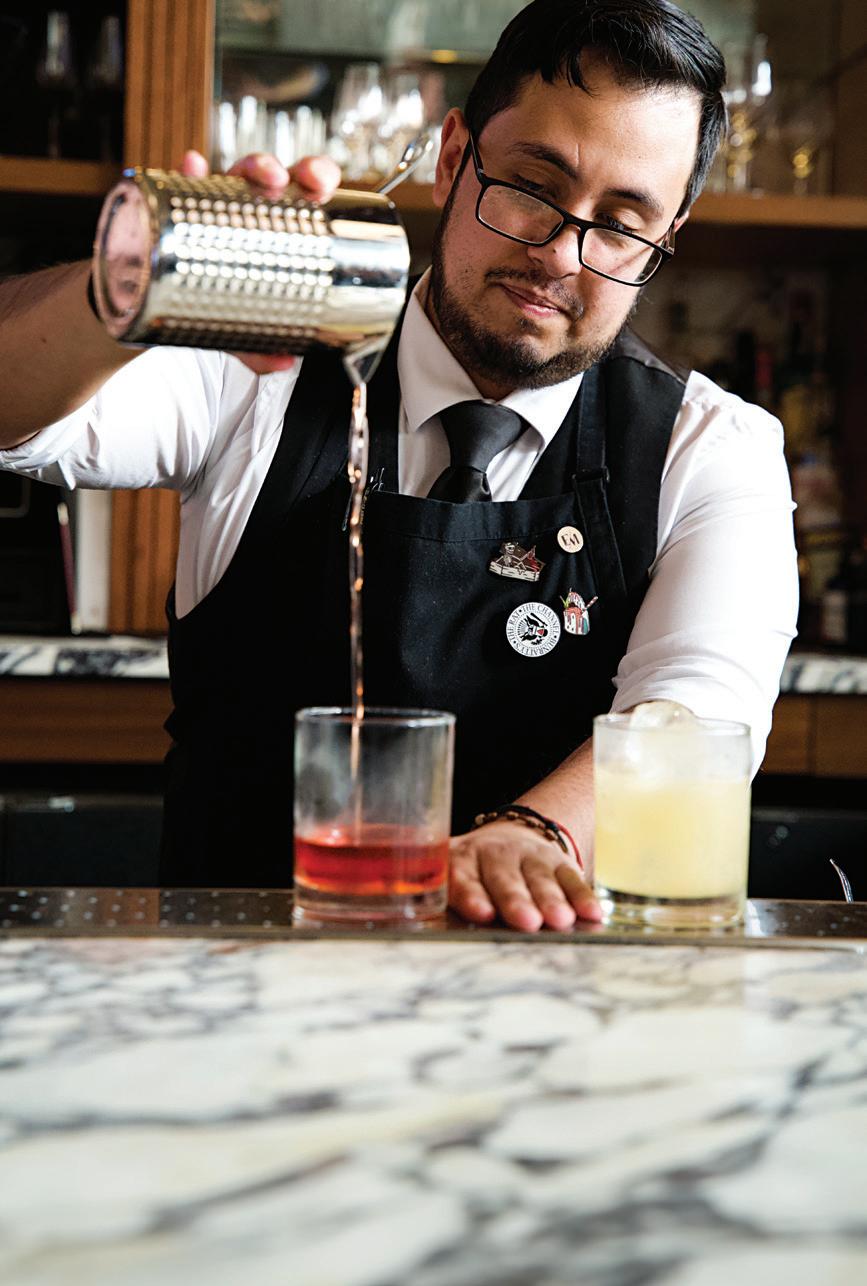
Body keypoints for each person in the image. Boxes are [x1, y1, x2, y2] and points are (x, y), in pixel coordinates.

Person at [0, 0, 797, 931]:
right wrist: (129, 284)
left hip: (548, 990)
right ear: (453, 159)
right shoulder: (262, 363)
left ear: (665, 240)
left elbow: (695, 714)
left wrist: (535, 837)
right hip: (230, 984)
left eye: (620, 224)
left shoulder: (709, 447)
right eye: (531, 187)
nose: (558, 255)